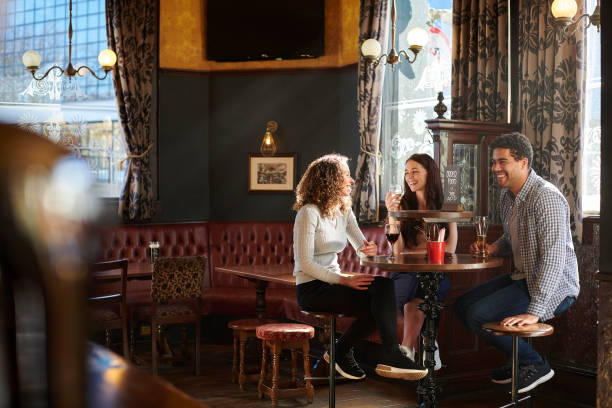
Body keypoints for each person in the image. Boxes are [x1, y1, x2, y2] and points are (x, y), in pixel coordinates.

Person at [453, 132, 579, 393]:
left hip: (555, 287)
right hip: (524, 277)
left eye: (502, 162)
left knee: (478, 315)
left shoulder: (546, 197)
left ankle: (533, 363)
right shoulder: (508, 196)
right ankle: (520, 361)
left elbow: (554, 259)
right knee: (461, 305)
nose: (495, 168)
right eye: (494, 162)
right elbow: (512, 237)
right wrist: (494, 246)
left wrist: (535, 311)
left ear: (523, 163)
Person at [293, 153, 428, 381]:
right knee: (381, 297)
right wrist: (344, 280)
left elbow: (361, 245)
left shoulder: (344, 210)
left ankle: (346, 351)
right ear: (330, 180)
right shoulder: (309, 212)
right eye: (346, 175)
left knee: (382, 296)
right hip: (312, 289)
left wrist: (368, 250)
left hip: (333, 283)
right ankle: (385, 354)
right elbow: (305, 262)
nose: (352, 180)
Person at [385, 154, 457, 370]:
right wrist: (391, 215)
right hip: (405, 275)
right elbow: (397, 252)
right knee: (419, 284)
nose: (409, 176)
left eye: (415, 171)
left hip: (435, 274)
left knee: (423, 285)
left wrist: (414, 252)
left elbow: (450, 251)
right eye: (406, 172)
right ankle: (427, 342)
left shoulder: (445, 205)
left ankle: (406, 350)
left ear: (429, 173)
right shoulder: (402, 205)